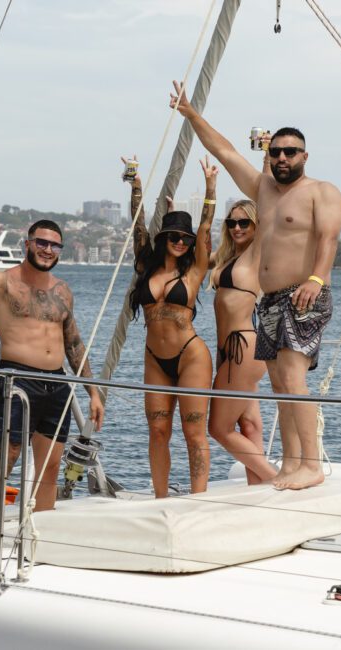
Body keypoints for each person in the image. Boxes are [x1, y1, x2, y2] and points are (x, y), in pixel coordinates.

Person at [170, 80, 341, 490]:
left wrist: (316, 280)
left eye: (290, 151)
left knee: (294, 380)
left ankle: (311, 465)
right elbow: (226, 151)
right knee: (281, 385)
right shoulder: (263, 190)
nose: (282, 157)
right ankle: (290, 465)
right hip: (269, 302)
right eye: (276, 152)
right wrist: (191, 113)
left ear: (305, 155)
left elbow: (328, 240)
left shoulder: (322, 192)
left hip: (306, 292)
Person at [0, 220, 104, 545]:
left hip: (57, 383)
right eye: (42, 243)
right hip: (18, 379)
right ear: (28, 244)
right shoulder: (5, 282)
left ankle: (40, 538)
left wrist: (94, 392)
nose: (48, 249)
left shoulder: (62, 291)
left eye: (54, 245)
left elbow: (74, 344)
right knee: (4, 461)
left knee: (49, 467)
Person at [124, 155, 215, 497]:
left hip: (191, 356)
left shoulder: (193, 271)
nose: (181, 242)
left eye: (186, 239)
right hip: (154, 358)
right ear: (164, 237)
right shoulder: (145, 267)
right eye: (175, 236)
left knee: (194, 433)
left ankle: (198, 498)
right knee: (158, 431)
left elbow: (205, 228)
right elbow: (137, 224)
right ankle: (159, 496)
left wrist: (210, 187)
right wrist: (135, 184)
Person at [208, 198, 277, 484]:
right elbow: (192, 253)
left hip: (242, 346)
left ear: (256, 225)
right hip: (230, 350)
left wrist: (264, 158)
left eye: (244, 222)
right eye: (231, 222)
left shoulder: (256, 253)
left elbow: (268, 203)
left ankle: (276, 479)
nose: (237, 227)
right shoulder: (227, 256)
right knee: (249, 425)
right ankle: (259, 491)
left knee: (219, 428)